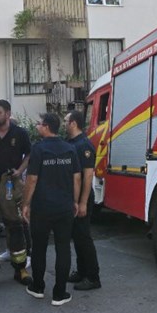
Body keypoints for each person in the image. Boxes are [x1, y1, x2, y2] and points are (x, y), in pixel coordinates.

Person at [21, 112, 80, 306]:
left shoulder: (38, 149)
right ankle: (60, 293)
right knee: (63, 248)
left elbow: (32, 179)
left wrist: (26, 203)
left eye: (39, 124)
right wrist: (76, 201)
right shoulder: (69, 149)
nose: (37, 126)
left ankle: (37, 287)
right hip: (64, 207)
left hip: (42, 208)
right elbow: (76, 178)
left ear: (46, 127)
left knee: (39, 248)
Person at [0, 100, 31, 290]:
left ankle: (20, 269)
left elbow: (29, 154)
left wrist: (20, 171)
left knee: (15, 225)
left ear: (8, 114)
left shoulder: (20, 134)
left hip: (11, 183)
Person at [64, 109, 101, 291]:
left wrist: (84, 202)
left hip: (82, 198)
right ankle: (81, 271)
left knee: (84, 238)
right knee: (77, 237)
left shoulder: (84, 145)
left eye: (65, 121)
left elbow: (87, 177)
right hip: (73, 198)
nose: (64, 124)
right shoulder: (71, 143)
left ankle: (93, 277)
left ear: (73, 123)